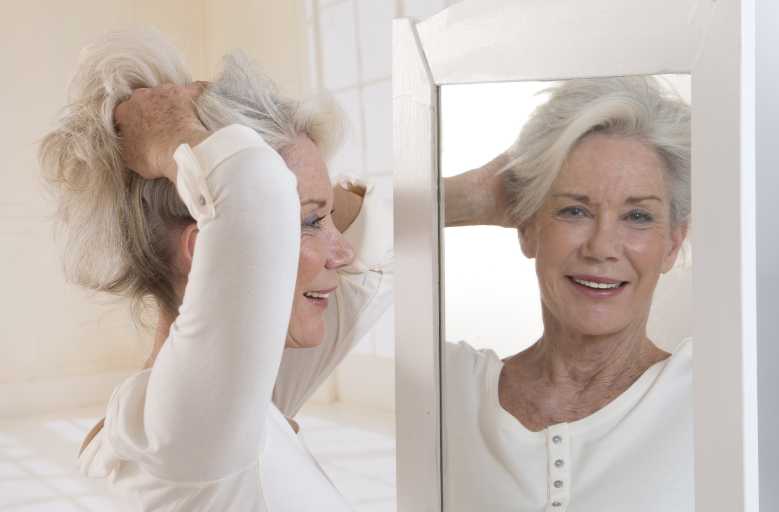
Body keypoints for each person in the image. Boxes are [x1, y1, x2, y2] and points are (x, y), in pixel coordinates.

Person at [39, 30, 394, 511]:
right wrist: (169, 131)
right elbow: (254, 196)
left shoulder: (228, 393)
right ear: (205, 250)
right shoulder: (186, 430)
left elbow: (390, 234)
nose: (342, 253)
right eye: (311, 221)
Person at [443, 76, 693, 511]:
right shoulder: (450, 389)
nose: (601, 248)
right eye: (574, 210)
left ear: (672, 244)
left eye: (637, 216)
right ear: (527, 228)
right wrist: (464, 197)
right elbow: (322, 243)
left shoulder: (712, 394)